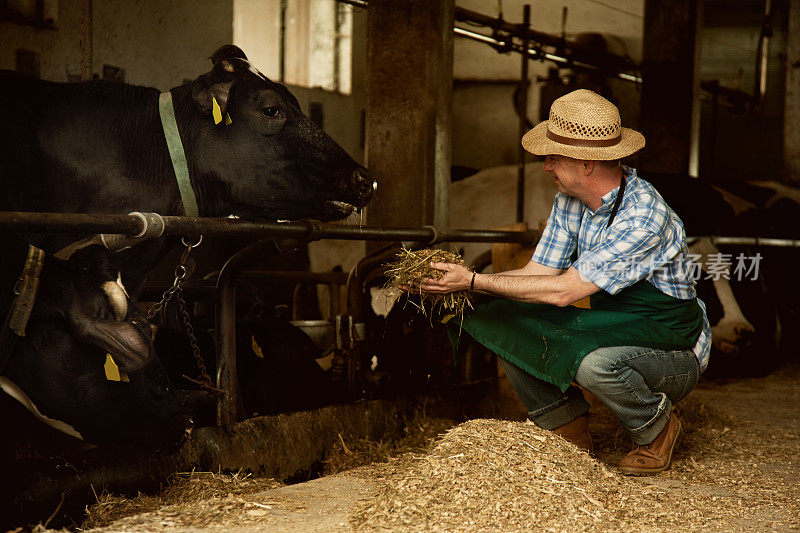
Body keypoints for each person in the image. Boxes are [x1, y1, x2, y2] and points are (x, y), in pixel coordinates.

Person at [417, 89, 710, 476]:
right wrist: (454, 282)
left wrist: (471, 280)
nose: (545, 166)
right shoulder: (569, 202)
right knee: (503, 318)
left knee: (595, 364)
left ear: (588, 163)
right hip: (618, 327)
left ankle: (655, 428)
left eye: (553, 156)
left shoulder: (643, 216)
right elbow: (538, 275)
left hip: (672, 347)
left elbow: (564, 291)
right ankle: (566, 427)